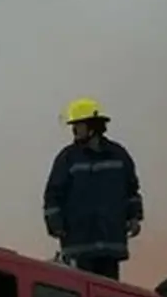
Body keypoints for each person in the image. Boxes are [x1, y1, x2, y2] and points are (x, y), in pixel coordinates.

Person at [43, 97, 144, 281]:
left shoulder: (119, 155)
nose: (74, 130)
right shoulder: (67, 158)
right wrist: (55, 224)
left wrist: (134, 217)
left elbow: (132, 191)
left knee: (109, 295)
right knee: (81, 293)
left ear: (93, 127)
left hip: (110, 243)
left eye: (78, 125)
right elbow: (53, 195)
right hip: (78, 243)